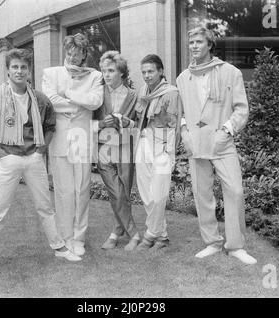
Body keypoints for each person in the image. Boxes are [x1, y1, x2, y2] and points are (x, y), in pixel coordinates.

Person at [0, 48, 81, 279]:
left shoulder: (40, 99)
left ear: (29, 70)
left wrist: (41, 150)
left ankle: (59, 248)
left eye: (23, 67)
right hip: (7, 158)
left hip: (33, 158)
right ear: (8, 70)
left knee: (45, 207)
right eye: (15, 67)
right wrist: (1, 153)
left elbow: (51, 127)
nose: (19, 71)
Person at [176, 27, 257, 265]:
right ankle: (212, 242)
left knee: (235, 191)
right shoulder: (182, 78)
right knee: (202, 194)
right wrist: (184, 133)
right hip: (196, 143)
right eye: (191, 42)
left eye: (198, 42)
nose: (193, 46)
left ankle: (236, 246)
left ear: (210, 44)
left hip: (222, 142)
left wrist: (227, 131)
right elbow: (180, 113)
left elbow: (242, 108)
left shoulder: (230, 72)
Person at [42, 33, 103, 257]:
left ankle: (79, 238)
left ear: (84, 54)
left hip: (82, 138)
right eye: (69, 52)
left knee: (82, 190)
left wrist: (67, 93)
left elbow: (95, 101)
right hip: (59, 140)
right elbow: (50, 101)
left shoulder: (95, 76)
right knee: (63, 191)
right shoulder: (51, 73)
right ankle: (66, 237)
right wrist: (78, 104)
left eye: (77, 53)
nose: (72, 57)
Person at [134, 54, 182, 251]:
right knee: (146, 192)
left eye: (151, 71)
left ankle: (151, 234)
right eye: (144, 72)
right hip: (143, 141)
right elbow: (139, 120)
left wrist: (169, 153)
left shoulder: (171, 93)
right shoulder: (143, 91)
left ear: (161, 71)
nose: (146, 75)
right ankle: (161, 236)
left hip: (162, 144)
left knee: (159, 193)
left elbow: (174, 125)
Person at [93, 51, 140, 251]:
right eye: (104, 71)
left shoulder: (133, 95)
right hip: (104, 149)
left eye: (111, 70)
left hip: (125, 149)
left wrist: (128, 122)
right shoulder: (97, 94)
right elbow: (85, 121)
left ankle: (116, 231)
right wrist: (101, 123)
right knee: (115, 191)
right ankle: (135, 234)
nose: (107, 75)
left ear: (121, 72)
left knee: (123, 194)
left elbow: (140, 124)